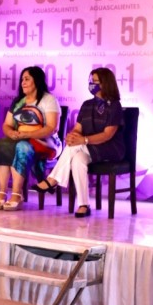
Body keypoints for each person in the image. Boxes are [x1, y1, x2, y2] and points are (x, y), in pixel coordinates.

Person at [34, 67, 125, 218]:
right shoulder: (87, 104)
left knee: (76, 147)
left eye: (95, 81)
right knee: (77, 159)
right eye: (90, 81)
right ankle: (84, 204)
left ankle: (53, 179)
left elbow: (108, 135)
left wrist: (83, 140)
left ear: (105, 83)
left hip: (110, 148)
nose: (91, 84)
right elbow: (78, 128)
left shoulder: (114, 106)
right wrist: (72, 136)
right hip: (88, 148)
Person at [0, 66, 62, 211]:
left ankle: (17, 194)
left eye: (27, 79)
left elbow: (51, 128)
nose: (23, 83)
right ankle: (2, 192)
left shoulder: (49, 100)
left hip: (46, 144)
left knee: (22, 146)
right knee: (2, 145)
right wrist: (11, 133)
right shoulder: (19, 101)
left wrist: (27, 135)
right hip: (22, 138)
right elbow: (6, 125)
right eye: (22, 80)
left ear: (36, 81)